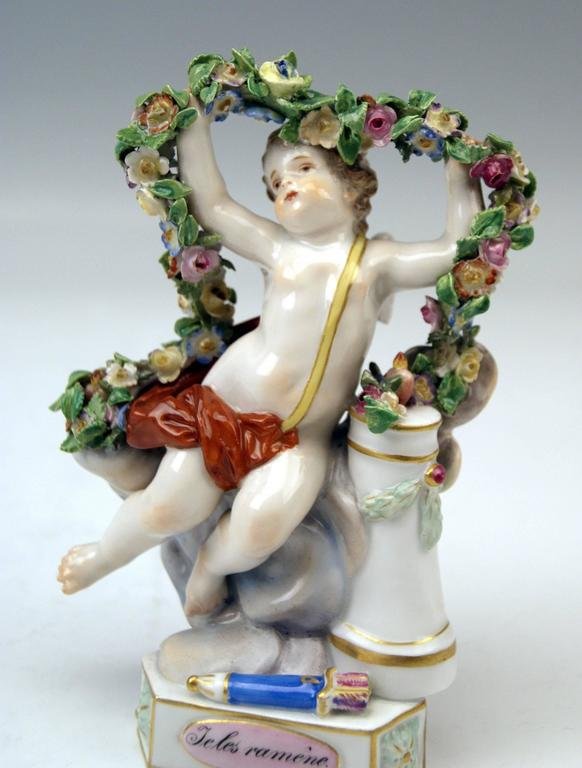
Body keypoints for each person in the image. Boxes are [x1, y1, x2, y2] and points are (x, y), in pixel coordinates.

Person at [57, 96, 484, 616]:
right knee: (168, 507)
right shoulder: (279, 249)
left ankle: (210, 567)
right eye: (275, 183)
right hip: (224, 411)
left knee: (261, 525)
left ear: (353, 185)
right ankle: (102, 556)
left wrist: (460, 177)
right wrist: (194, 124)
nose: (287, 185)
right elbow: (213, 205)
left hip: (300, 439)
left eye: (303, 168)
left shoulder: (376, 264)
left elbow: (458, 250)